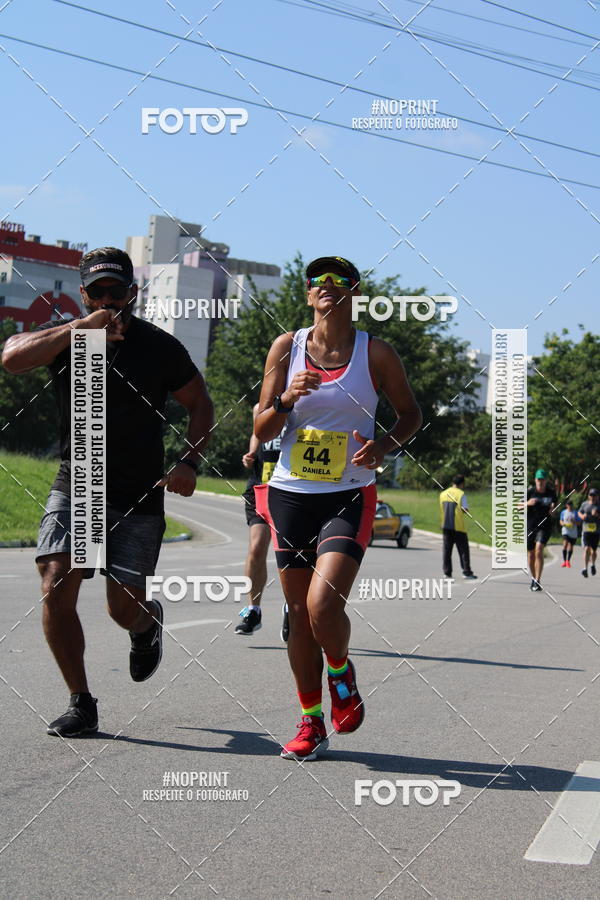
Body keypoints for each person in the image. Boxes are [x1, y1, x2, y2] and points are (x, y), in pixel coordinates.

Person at [1, 247, 213, 737]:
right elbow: (11, 359)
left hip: (137, 494)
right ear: (84, 295)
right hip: (78, 483)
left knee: (123, 609)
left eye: (118, 291)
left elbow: (200, 404)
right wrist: (81, 330)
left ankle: (145, 625)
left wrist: (188, 461)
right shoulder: (66, 339)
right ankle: (81, 701)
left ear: (134, 294)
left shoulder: (160, 348)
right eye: (99, 292)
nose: (110, 300)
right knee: (56, 582)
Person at [253, 255, 422, 760]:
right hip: (291, 493)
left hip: (348, 492)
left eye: (340, 281)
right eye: (318, 281)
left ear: (354, 294)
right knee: (298, 616)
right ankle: (310, 721)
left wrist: (385, 445)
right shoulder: (288, 348)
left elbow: (412, 413)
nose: (328, 286)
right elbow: (260, 429)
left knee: (323, 606)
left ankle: (341, 669)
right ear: (308, 295)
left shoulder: (377, 354)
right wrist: (284, 400)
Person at [236, 404, 287, 638]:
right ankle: (253, 610)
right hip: (261, 488)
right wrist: (251, 455)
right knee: (256, 547)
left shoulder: (307, 404)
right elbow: (257, 433)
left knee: (289, 554)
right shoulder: (260, 407)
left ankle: (292, 609)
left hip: (292, 490)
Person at [439, 475, 477, 580]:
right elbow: (465, 509)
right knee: (464, 550)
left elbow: (442, 508)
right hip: (458, 526)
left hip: (446, 525)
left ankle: (447, 573)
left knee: (447, 551)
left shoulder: (443, 494)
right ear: (462, 484)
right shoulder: (461, 494)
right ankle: (466, 572)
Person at [525, 468, 557, 591]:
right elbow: (518, 506)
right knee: (531, 554)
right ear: (535, 480)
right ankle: (533, 578)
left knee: (538, 550)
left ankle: (538, 580)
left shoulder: (551, 493)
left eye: (542, 479)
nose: (540, 482)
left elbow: (554, 510)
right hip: (531, 526)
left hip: (545, 526)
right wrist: (528, 503)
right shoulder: (530, 492)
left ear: (546, 480)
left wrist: (553, 510)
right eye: (538, 479)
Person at [578, 487, 600, 578]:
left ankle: (593, 565)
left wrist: (597, 515)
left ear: (597, 496)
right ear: (588, 496)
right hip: (586, 530)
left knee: (594, 551)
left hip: (596, 531)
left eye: (594, 495)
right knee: (586, 548)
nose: (592, 497)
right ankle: (585, 569)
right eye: (591, 495)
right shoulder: (584, 504)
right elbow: (579, 512)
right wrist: (582, 516)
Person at [559, 499, 578, 568]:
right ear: (566, 505)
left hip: (573, 532)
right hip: (565, 531)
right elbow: (560, 521)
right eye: (568, 504)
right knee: (565, 544)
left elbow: (579, 523)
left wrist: (574, 522)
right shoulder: (563, 512)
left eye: (571, 504)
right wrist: (563, 524)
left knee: (571, 546)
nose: (569, 506)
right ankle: (564, 561)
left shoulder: (575, 512)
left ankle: (568, 561)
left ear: (572, 505)